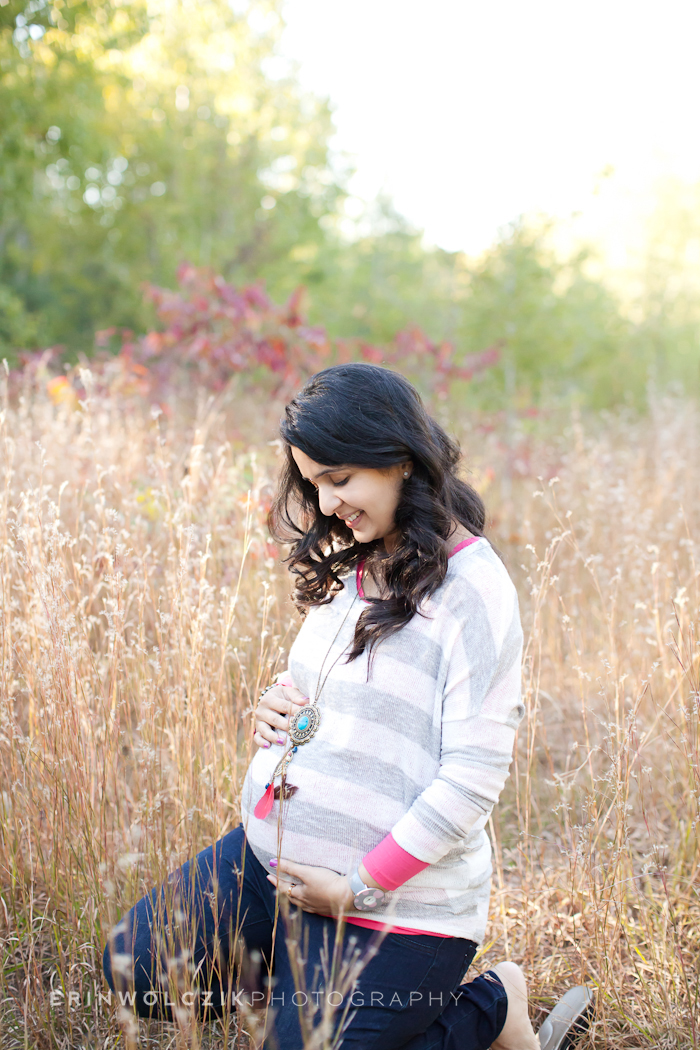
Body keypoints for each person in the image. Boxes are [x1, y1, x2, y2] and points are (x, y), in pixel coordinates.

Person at [102, 364, 593, 1049]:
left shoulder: (475, 592)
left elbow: (473, 779)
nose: (327, 504)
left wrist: (357, 887)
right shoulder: (354, 555)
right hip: (272, 871)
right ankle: (312, 1004)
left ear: (398, 459)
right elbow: (334, 687)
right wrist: (274, 707)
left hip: (397, 909)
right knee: (136, 969)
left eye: (339, 479)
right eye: (313, 483)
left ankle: (490, 1006)